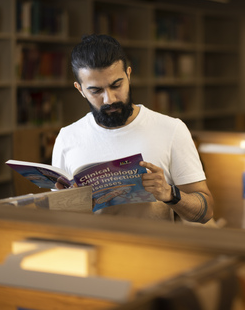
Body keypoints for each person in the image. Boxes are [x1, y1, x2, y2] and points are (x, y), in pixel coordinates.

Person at [51, 34, 214, 224]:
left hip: (151, 251)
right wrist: (68, 203)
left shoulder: (171, 129)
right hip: (92, 249)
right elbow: (58, 217)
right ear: (80, 89)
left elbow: (206, 212)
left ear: (129, 74)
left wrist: (169, 193)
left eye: (116, 85)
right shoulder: (67, 137)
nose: (109, 99)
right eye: (96, 91)